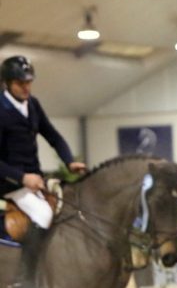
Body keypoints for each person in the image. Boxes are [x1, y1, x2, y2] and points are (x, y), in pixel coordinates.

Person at [0, 55, 86, 287]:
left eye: (28, 82)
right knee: (44, 215)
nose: (26, 87)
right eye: (21, 83)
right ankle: (26, 278)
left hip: (34, 180)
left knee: (69, 210)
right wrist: (22, 178)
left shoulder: (33, 105)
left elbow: (53, 136)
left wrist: (69, 161)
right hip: (9, 184)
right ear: (7, 83)